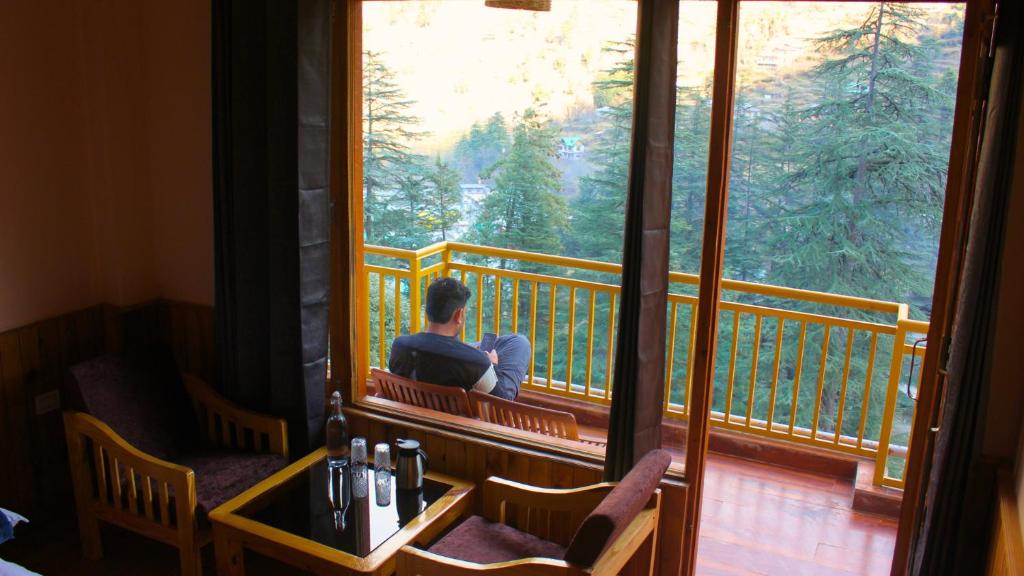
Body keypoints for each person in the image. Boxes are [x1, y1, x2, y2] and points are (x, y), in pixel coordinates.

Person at [388, 277, 531, 401]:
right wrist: (493, 366)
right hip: (458, 427)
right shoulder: (475, 362)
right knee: (520, 342)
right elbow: (502, 401)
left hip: (413, 420)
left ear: (427, 310)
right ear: (459, 315)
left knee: (487, 346)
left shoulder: (400, 345)